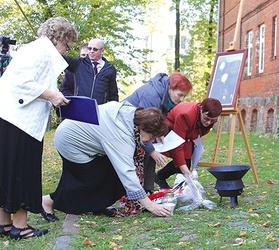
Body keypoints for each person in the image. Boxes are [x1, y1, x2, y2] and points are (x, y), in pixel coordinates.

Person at [0, 16, 78, 239]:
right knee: (22, 172)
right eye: (66, 45)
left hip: (10, 118)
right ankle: (20, 226)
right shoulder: (41, 51)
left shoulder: (35, 49)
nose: (66, 50)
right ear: (56, 38)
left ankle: (4, 223)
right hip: (21, 121)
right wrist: (52, 95)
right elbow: (20, 82)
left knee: (7, 171)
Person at [41, 101, 173, 221]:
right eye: (151, 137)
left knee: (106, 176)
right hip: (70, 142)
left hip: (82, 138)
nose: (150, 141)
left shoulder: (132, 116)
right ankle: (48, 201)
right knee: (90, 181)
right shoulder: (120, 134)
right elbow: (127, 172)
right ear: (143, 128)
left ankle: (97, 205)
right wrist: (150, 206)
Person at [124, 72, 192, 193]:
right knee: (146, 151)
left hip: (138, 126)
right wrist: (152, 152)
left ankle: (147, 188)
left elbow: (159, 117)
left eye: (184, 97)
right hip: (126, 125)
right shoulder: (152, 95)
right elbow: (143, 126)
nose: (181, 99)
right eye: (180, 95)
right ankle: (137, 191)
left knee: (152, 147)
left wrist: (159, 133)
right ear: (171, 88)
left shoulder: (167, 97)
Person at [154, 98, 223, 189]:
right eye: (206, 119)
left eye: (213, 121)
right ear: (201, 109)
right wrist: (186, 172)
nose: (209, 123)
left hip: (187, 133)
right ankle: (167, 179)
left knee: (187, 157)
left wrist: (193, 136)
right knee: (181, 158)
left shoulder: (208, 117)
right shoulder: (186, 115)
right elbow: (177, 146)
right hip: (170, 129)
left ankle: (160, 176)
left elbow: (201, 130)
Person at [62, 38, 118, 104]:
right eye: (89, 48)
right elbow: (61, 58)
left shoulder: (109, 69)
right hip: (80, 107)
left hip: (99, 110)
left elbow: (113, 94)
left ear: (102, 51)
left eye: (95, 49)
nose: (91, 51)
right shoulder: (79, 63)